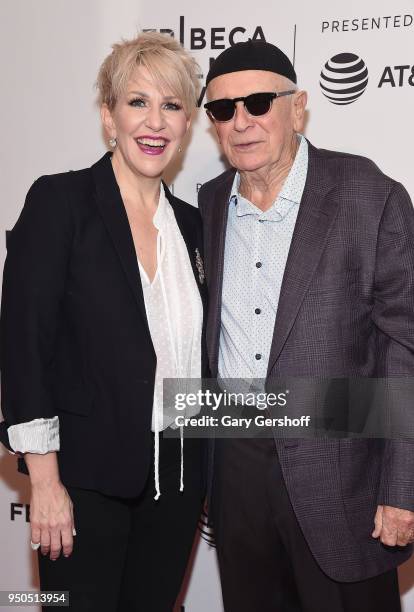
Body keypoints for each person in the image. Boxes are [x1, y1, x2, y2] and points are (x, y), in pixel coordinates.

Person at [198, 40, 414, 612]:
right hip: (236, 469)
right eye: (223, 110)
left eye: (259, 102)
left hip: (343, 474)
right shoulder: (210, 204)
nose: (241, 122)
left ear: (298, 108)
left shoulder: (369, 195)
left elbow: (403, 349)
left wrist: (403, 489)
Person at [0, 32, 207, 611]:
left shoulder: (194, 227)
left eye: (172, 106)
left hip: (179, 483)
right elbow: (25, 345)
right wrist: (44, 483)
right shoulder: (60, 203)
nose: (155, 121)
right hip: (82, 483)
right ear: (108, 116)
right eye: (138, 101)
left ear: (188, 124)